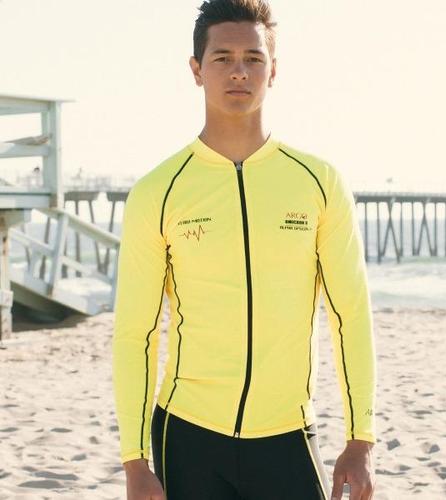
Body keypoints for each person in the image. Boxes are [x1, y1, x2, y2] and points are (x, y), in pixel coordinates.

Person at [112, 1, 377, 499]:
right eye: (223, 58)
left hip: (287, 433)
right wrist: (134, 458)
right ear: (196, 70)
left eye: (254, 58)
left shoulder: (318, 182)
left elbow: (350, 315)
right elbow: (135, 333)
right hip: (187, 434)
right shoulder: (158, 191)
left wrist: (360, 438)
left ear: (273, 71)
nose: (239, 71)